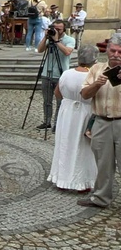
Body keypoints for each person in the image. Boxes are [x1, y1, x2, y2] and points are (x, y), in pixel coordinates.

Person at [77, 34, 121, 209]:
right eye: (113, 50)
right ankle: (101, 197)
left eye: (120, 51)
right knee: (103, 163)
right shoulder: (96, 69)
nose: (116, 54)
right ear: (107, 50)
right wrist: (96, 84)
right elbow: (84, 95)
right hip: (101, 122)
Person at [47, 45, 98, 191]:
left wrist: (69, 101)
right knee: (83, 146)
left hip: (67, 112)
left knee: (65, 143)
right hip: (85, 112)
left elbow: (57, 93)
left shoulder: (67, 73)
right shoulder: (93, 77)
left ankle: (61, 177)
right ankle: (82, 181)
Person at [36, 20, 75, 130]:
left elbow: (67, 52)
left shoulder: (70, 40)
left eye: (59, 29)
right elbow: (39, 50)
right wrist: (45, 37)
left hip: (61, 75)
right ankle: (46, 121)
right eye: (55, 29)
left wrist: (57, 41)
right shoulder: (50, 38)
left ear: (64, 29)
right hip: (46, 73)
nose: (56, 31)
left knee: (60, 102)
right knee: (47, 101)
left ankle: (57, 124)